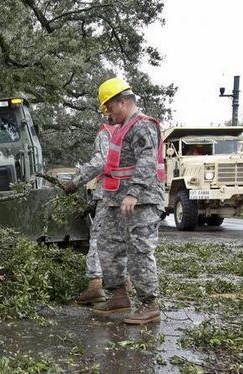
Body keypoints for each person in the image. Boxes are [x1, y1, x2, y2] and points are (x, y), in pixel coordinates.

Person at [90, 77, 166, 325]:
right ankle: (119, 295)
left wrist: (134, 192)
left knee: (139, 250)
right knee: (107, 244)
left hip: (141, 200)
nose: (109, 114)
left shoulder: (143, 126)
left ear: (123, 102)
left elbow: (146, 161)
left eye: (110, 107)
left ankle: (149, 305)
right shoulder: (122, 128)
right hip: (116, 200)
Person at [65, 117, 118, 305]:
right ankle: (124, 287)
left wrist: (75, 182)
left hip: (110, 191)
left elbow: (100, 162)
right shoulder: (132, 130)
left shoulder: (107, 132)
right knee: (122, 238)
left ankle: (95, 286)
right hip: (131, 193)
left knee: (97, 237)